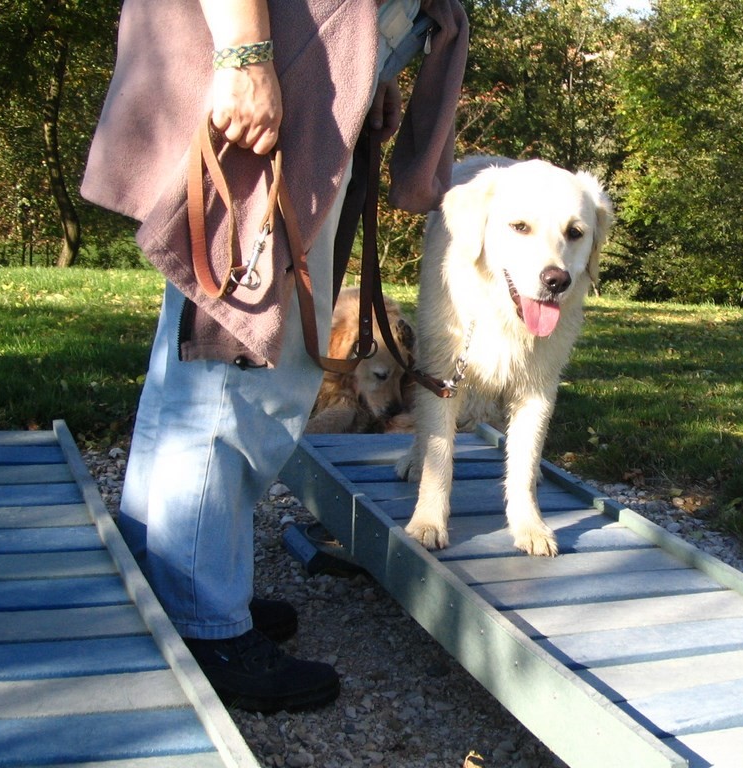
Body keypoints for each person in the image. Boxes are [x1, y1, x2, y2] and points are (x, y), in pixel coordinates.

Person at [81, 0, 467, 713]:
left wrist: (368, 67)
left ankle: (166, 580)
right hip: (272, 76)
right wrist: (245, 52)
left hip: (303, 81)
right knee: (242, 357)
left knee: (202, 358)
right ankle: (204, 624)